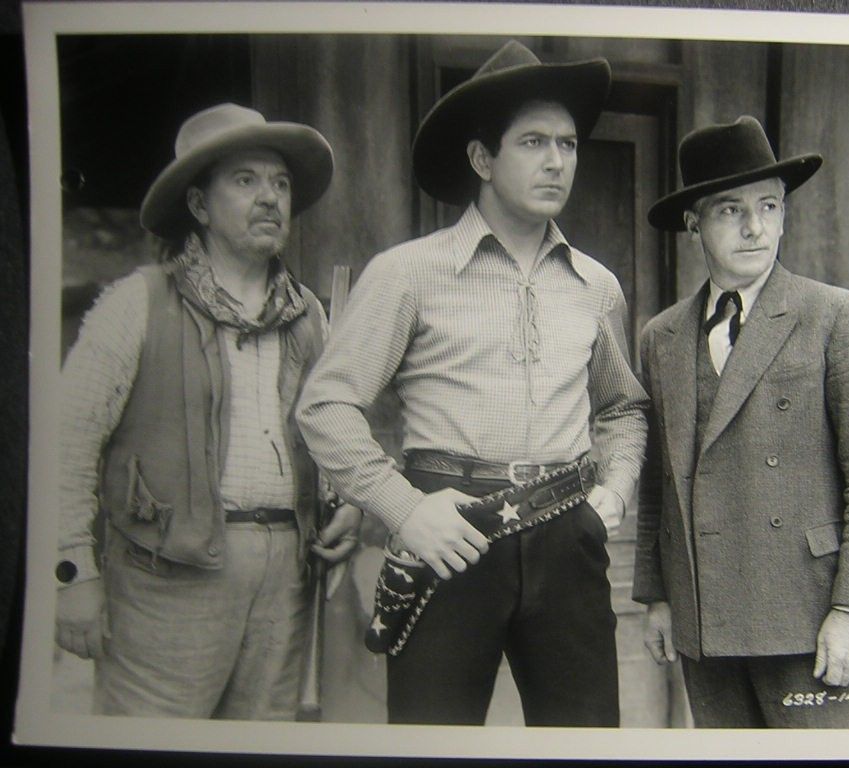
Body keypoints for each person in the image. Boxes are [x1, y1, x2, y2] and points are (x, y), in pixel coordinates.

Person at [297, 40, 648, 726]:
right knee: (435, 740)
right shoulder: (407, 274)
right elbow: (327, 405)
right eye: (534, 142)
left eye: (569, 144)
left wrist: (615, 492)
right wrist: (402, 508)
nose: (557, 161)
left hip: (567, 534)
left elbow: (622, 407)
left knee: (585, 743)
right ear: (483, 159)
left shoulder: (595, 286)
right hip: (447, 533)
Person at [55, 103, 360, 719]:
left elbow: (331, 432)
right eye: (245, 181)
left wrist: (348, 502)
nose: (270, 197)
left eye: (279, 183)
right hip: (165, 586)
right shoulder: (135, 304)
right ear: (198, 206)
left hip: (284, 585)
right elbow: (64, 448)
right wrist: (70, 575)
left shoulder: (311, 317)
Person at [633, 116, 849, 728]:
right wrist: (658, 596)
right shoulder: (662, 337)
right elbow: (658, 484)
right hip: (706, 619)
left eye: (769, 206)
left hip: (810, 616)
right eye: (730, 210)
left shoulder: (835, 316)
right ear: (693, 223)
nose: (756, 227)